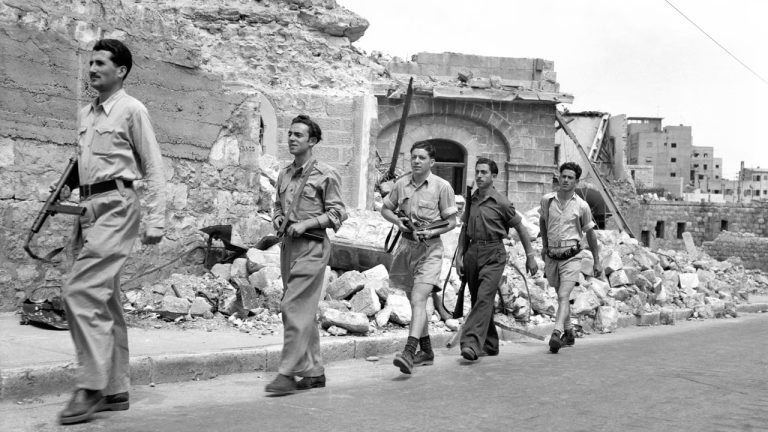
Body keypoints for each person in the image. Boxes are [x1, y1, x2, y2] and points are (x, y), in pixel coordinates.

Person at [58, 39, 166, 425]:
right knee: (105, 299)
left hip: (118, 206)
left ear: (120, 70)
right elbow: (86, 162)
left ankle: (90, 385)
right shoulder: (86, 114)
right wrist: (70, 184)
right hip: (88, 209)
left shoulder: (132, 110)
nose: (92, 69)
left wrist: (156, 219)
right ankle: (115, 388)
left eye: (100, 63)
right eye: (90, 63)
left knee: (80, 291)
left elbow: (152, 167)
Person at [265, 115, 347, 395]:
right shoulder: (284, 173)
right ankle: (313, 371)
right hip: (289, 248)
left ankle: (287, 373)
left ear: (312, 141)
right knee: (303, 311)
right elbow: (277, 204)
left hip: (312, 247)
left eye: (298, 135)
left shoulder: (325, 174)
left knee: (292, 306)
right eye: (290, 134)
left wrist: (307, 224)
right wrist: (278, 218)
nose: (291, 138)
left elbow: (338, 213)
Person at [381, 142, 458, 374]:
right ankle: (426, 351)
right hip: (405, 248)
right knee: (415, 301)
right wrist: (398, 221)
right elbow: (385, 209)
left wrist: (432, 231)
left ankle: (409, 351)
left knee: (418, 299)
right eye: (413, 157)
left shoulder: (442, 187)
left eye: (422, 158)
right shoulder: (401, 184)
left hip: (430, 249)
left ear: (431, 162)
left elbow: (452, 222)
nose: (416, 161)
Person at [454, 158, 538, 361]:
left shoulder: (502, 202)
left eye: (484, 172)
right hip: (473, 252)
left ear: (494, 176)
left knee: (483, 298)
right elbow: (465, 229)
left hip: (494, 253)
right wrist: (459, 256)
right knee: (478, 299)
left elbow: (521, 228)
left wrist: (530, 256)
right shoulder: (472, 199)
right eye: (477, 172)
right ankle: (490, 345)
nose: (480, 176)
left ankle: (471, 343)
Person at [539, 162, 600, 354]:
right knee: (560, 296)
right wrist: (544, 246)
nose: (565, 180)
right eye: (563, 176)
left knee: (563, 295)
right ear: (559, 177)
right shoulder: (547, 201)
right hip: (552, 256)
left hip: (571, 257)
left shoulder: (582, 206)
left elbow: (590, 234)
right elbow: (542, 221)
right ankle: (569, 333)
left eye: (570, 177)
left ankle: (556, 333)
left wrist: (597, 261)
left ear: (576, 181)